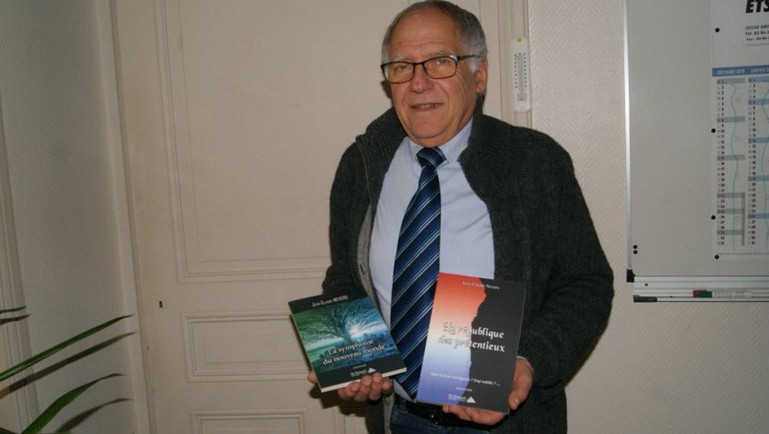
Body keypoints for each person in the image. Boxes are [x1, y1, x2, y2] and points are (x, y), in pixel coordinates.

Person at [310, 1, 613, 432]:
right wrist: (352, 355)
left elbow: (586, 284)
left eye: (440, 62)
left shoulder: (535, 163)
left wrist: (528, 359)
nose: (419, 83)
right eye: (402, 66)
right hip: (400, 419)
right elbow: (346, 275)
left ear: (479, 75)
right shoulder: (360, 165)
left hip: (507, 423)